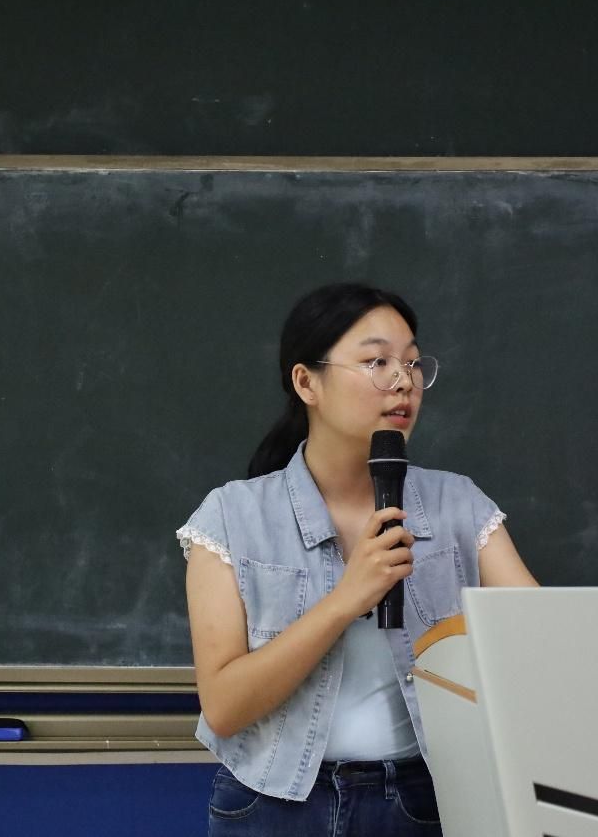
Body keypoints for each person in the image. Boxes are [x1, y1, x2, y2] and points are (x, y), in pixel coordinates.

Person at [177, 283, 538, 836]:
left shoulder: (459, 505)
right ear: (307, 383)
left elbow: (541, 643)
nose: (403, 381)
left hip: (425, 800)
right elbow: (224, 708)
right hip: (272, 807)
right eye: (376, 362)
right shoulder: (231, 516)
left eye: (412, 364)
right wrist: (346, 600)